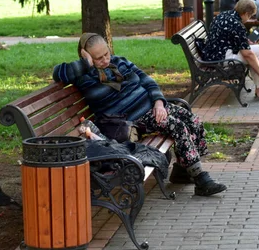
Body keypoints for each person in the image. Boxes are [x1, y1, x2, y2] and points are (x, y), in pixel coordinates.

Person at [53, 33, 228, 197]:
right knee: (177, 126)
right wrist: (86, 64)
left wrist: (159, 102)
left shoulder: (119, 62)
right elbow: (58, 73)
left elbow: (146, 80)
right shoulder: (83, 76)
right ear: (86, 55)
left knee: (192, 119)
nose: (106, 60)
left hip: (151, 108)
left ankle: (182, 171)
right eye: (98, 58)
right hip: (131, 121)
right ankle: (201, 180)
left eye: (106, 54)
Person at [199, 0, 259, 100]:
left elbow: (228, 38)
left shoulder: (224, 15)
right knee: (258, 51)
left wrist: (247, 42)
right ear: (246, 13)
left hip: (213, 54)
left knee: (256, 51)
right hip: (221, 59)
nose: (249, 18)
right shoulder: (237, 25)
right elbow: (248, 54)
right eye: (250, 16)